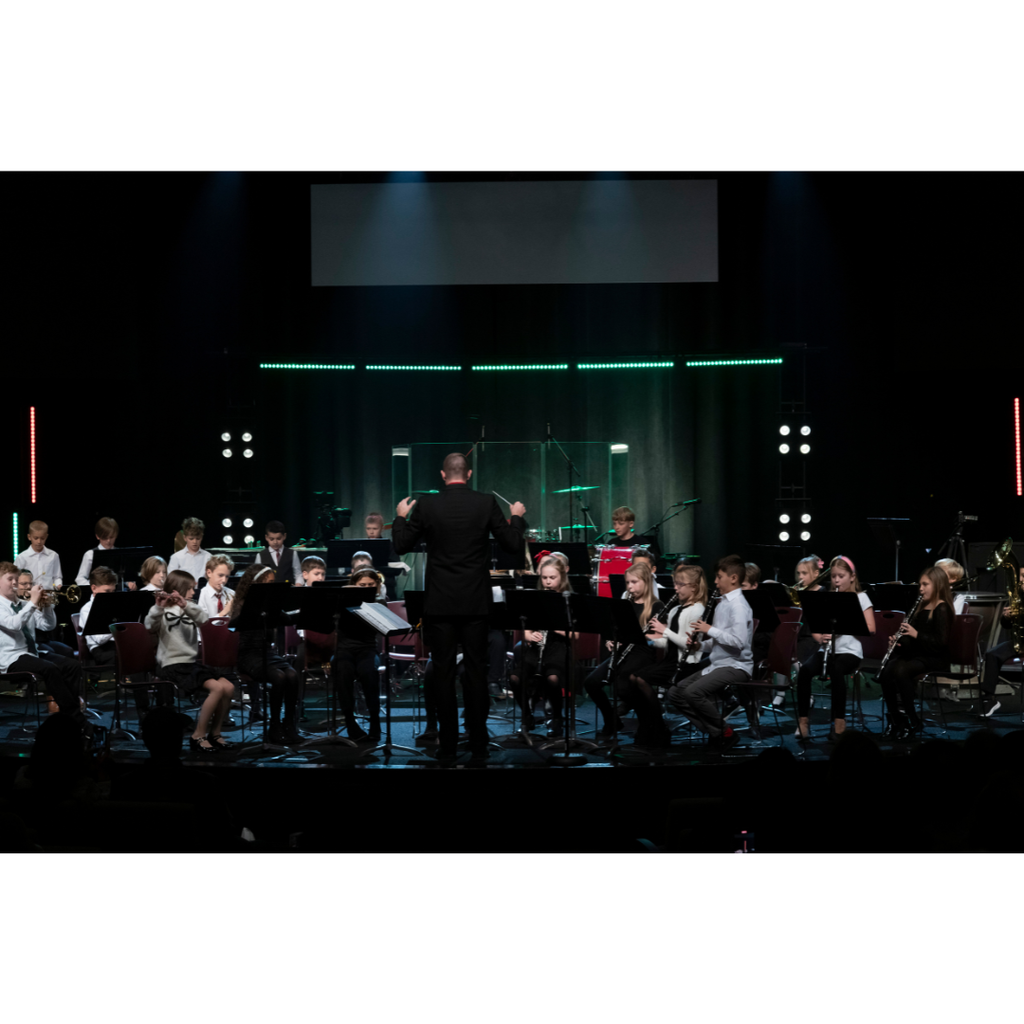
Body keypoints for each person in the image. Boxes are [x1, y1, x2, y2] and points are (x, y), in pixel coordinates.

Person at [391, 452, 525, 761]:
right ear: (469, 474)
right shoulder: (485, 503)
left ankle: (447, 745)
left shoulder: (427, 504)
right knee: (477, 675)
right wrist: (515, 515)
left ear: (442, 475)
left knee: (443, 675)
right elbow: (512, 544)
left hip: (439, 604)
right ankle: (479, 744)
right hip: (475, 604)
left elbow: (401, 545)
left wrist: (400, 515)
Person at [665, 554, 753, 750]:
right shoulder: (723, 603)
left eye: (719, 577)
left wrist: (708, 630)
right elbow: (720, 641)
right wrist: (700, 646)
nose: (715, 582)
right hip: (719, 662)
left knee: (692, 692)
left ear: (733, 578)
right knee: (675, 693)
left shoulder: (738, 606)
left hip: (736, 665)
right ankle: (717, 732)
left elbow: (738, 642)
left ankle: (724, 732)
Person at [146, 570, 236, 753]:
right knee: (217, 688)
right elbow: (149, 626)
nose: (194, 592)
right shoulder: (161, 609)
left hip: (189, 664)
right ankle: (198, 735)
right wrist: (158, 607)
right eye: (190, 589)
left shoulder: (190, 607)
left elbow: (204, 621)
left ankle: (215, 734)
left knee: (228, 686)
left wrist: (185, 604)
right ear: (179, 588)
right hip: (172, 665)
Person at [794, 555, 876, 742]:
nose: (837, 580)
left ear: (852, 577)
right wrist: (820, 637)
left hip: (850, 652)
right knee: (805, 671)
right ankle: (803, 722)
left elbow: (871, 629)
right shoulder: (828, 598)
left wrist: (842, 627)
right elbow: (816, 628)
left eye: (841, 576)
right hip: (827, 651)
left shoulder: (861, 598)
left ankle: (839, 723)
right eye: (833, 577)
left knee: (837, 670)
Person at [584, 561, 665, 737]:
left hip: (642, 652)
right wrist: (610, 640)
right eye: (628, 582)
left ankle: (647, 723)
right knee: (591, 682)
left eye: (634, 582)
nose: (630, 586)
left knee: (624, 685)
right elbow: (613, 629)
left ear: (645, 582)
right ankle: (611, 720)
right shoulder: (624, 602)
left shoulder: (657, 606)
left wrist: (641, 636)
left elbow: (662, 637)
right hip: (623, 651)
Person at [630, 563, 708, 746]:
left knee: (640, 679)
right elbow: (668, 643)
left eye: (680, 585)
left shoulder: (697, 610)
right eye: (675, 584)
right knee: (632, 678)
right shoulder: (674, 610)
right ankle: (649, 724)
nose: (676, 588)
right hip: (670, 661)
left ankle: (658, 727)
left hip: (686, 664)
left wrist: (664, 630)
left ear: (694, 587)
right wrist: (646, 639)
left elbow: (687, 645)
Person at [876, 565, 955, 741]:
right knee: (887, 671)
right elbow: (911, 643)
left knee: (901, 670)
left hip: (936, 658)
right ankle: (896, 719)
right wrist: (897, 643)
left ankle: (912, 720)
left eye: (925, 584)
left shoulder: (942, 608)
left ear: (938, 585)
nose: (921, 588)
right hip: (919, 655)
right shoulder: (920, 606)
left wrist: (915, 634)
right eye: (920, 584)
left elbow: (940, 644)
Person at [0, 561, 84, 722]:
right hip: (10, 659)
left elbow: (47, 625)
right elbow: (14, 624)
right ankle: (75, 718)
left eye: (16, 579)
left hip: (31, 654)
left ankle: (67, 716)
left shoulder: (24, 604)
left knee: (72, 666)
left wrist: (46, 606)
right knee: (50, 669)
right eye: (10, 579)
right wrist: (33, 602)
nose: (15, 583)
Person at [229, 564, 302, 744]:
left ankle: (288, 724)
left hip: (266, 653)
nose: (272, 585)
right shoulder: (242, 603)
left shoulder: (271, 604)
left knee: (292, 675)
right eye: (268, 582)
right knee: (278, 677)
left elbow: (286, 619)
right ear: (256, 583)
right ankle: (274, 726)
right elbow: (234, 625)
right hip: (247, 655)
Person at [508, 555, 576, 738]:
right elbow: (526, 631)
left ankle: (557, 718)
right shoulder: (535, 598)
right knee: (515, 678)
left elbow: (575, 635)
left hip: (558, 648)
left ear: (561, 577)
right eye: (544, 578)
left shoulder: (569, 599)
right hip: (536, 648)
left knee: (553, 678)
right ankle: (527, 716)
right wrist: (530, 635)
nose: (547, 582)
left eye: (552, 578)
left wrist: (556, 627)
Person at [331, 566, 385, 741]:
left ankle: (375, 722)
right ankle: (350, 722)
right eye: (362, 585)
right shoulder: (341, 603)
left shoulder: (380, 603)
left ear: (376, 585)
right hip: (344, 649)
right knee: (342, 670)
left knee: (368, 673)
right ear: (353, 585)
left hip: (367, 649)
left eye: (370, 585)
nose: (366, 589)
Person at [977, 561, 1024, 716]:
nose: (1020, 580)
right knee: (992, 654)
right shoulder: (1018, 597)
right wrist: (1007, 617)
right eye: (1020, 576)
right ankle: (989, 699)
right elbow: (1008, 626)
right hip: (1021, 641)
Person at [75, 517, 129, 586]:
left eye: (111, 537)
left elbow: (125, 576)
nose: (108, 541)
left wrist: (128, 582)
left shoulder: (121, 554)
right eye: (105, 538)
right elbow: (80, 579)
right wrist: (94, 586)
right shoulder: (90, 554)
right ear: (97, 536)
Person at [15, 520, 63, 591]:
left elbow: (57, 577)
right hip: (29, 597)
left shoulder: (54, 556)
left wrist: (58, 585)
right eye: (36, 538)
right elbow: (16, 578)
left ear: (46, 537)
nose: (39, 541)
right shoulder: (22, 557)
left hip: (48, 597)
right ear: (29, 537)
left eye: (42, 538)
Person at [256, 520, 304, 585]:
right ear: (266, 537)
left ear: (284, 536)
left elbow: (298, 574)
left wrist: (298, 585)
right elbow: (256, 576)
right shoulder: (261, 555)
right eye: (272, 539)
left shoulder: (292, 554)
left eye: (278, 539)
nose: (275, 542)